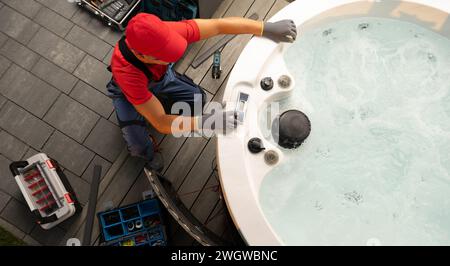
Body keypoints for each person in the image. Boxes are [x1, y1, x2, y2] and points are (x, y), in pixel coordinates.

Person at [107, 13, 297, 171]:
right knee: (138, 145)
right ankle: (149, 154)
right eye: (165, 57)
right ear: (142, 55)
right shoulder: (128, 75)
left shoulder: (163, 32)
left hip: (162, 77)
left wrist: (264, 27)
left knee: (198, 98)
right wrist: (204, 122)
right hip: (128, 93)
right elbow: (161, 122)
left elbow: (218, 26)